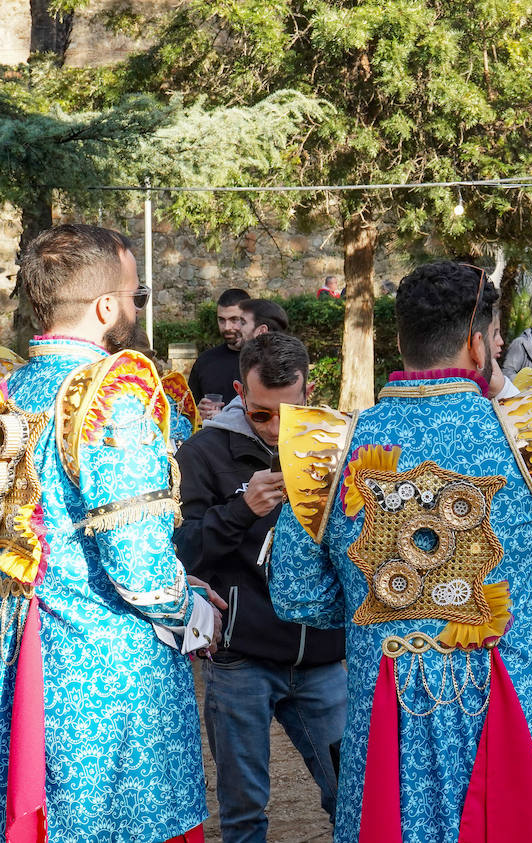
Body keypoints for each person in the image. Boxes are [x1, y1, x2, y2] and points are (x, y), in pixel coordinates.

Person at [268, 260, 532, 841]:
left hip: (388, 704)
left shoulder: (329, 449)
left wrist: (377, 606)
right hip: (512, 698)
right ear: (478, 344)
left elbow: (297, 597)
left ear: (398, 340)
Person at [0, 223, 222, 842]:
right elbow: (143, 572)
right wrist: (195, 609)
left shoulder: (10, 390)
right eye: (133, 296)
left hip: (24, 658)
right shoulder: (111, 396)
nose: (133, 308)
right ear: (104, 307)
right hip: (108, 679)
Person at [175, 332, 347, 843]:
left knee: (350, 794)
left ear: (310, 392)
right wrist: (239, 510)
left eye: (287, 414)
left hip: (320, 658)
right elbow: (181, 552)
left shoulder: (336, 445)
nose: (274, 430)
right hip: (240, 659)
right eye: (259, 415)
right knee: (244, 809)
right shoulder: (204, 452)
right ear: (237, 392)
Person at [190, 287, 251, 419]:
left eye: (234, 319)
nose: (227, 327)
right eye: (221, 320)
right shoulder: (205, 362)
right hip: (211, 437)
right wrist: (198, 411)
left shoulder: (265, 360)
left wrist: (225, 417)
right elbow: (187, 411)